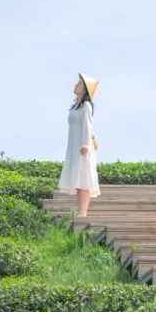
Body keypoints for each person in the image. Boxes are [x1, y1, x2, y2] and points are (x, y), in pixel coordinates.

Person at [58, 72, 100, 218]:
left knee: (84, 177)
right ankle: (81, 211)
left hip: (82, 145)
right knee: (78, 178)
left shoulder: (86, 105)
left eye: (80, 83)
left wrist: (85, 145)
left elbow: (88, 126)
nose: (76, 85)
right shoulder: (77, 106)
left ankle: (83, 213)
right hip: (74, 144)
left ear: (85, 89)